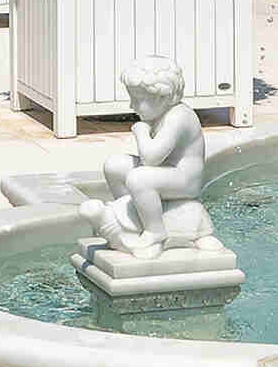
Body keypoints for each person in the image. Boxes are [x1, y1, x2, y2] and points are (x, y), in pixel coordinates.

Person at [83, 57, 208, 258]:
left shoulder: (178, 117)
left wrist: (141, 131)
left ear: (163, 98)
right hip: (167, 171)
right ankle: (134, 216)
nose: (132, 105)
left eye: (138, 99)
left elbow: (151, 159)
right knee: (114, 165)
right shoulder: (162, 113)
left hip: (185, 180)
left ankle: (155, 230)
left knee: (139, 178)